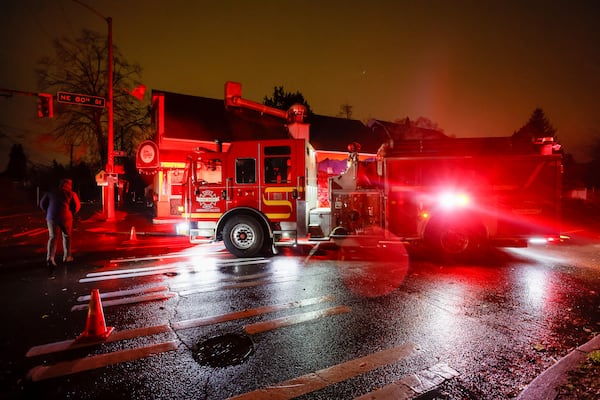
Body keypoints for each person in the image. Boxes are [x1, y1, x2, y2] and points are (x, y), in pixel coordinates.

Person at [40, 178, 81, 270]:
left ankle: (50, 258)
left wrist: (48, 211)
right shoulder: (71, 193)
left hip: (51, 217)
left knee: (53, 237)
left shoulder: (51, 192)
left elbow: (42, 204)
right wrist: (72, 213)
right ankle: (67, 257)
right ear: (68, 185)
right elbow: (77, 206)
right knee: (67, 236)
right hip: (66, 217)